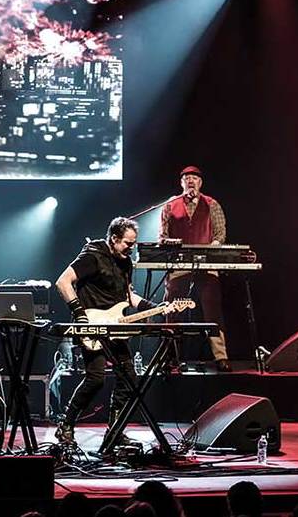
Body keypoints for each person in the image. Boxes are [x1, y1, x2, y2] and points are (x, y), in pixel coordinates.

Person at [54, 217, 157, 449]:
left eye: (134, 244)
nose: (131, 249)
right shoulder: (93, 256)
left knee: (129, 377)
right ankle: (66, 426)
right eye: (128, 244)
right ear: (113, 239)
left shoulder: (125, 263)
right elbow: (63, 282)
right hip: (91, 323)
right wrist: (78, 313)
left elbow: (128, 297)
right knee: (95, 379)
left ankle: (116, 431)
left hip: (116, 326)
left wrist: (152, 307)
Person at [159, 165, 231, 371]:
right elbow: (162, 236)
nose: (190, 181)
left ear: (201, 182)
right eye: (187, 178)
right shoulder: (171, 204)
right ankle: (169, 356)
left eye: (195, 178)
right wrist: (169, 243)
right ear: (181, 183)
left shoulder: (212, 204)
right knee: (172, 308)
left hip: (206, 264)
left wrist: (212, 250)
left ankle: (221, 356)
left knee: (212, 309)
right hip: (179, 263)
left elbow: (219, 236)